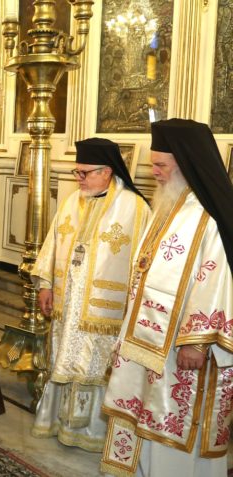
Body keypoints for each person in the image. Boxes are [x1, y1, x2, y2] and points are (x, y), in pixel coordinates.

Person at [101, 119, 233, 477]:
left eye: (161, 165)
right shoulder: (168, 204)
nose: (154, 173)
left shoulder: (209, 216)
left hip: (183, 348)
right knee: (143, 410)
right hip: (146, 341)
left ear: (186, 164)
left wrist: (197, 343)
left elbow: (217, 280)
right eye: (153, 164)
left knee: (172, 417)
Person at [30, 138, 150, 451]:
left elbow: (145, 265)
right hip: (67, 303)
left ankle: (93, 433)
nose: (79, 179)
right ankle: (59, 423)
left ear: (107, 171)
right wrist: (45, 285)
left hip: (104, 313)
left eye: (85, 173)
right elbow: (52, 243)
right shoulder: (74, 201)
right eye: (77, 172)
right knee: (64, 358)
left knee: (96, 365)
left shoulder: (135, 208)